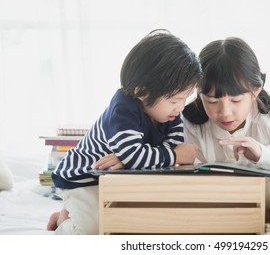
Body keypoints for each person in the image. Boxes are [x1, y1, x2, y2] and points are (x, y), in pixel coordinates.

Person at [47, 29, 202, 234]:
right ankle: (64, 223)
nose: (180, 107)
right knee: (94, 229)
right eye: (174, 100)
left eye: (185, 99)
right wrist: (169, 155)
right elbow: (171, 154)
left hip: (117, 178)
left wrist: (131, 160)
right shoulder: (123, 109)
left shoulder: (170, 114)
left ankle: (69, 213)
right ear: (141, 91)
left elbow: (159, 155)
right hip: (83, 178)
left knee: (135, 221)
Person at [182, 37, 270, 181]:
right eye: (212, 101)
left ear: (255, 91)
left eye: (236, 100)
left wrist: (264, 155)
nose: (225, 113)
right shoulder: (187, 123)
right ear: (200, 94)